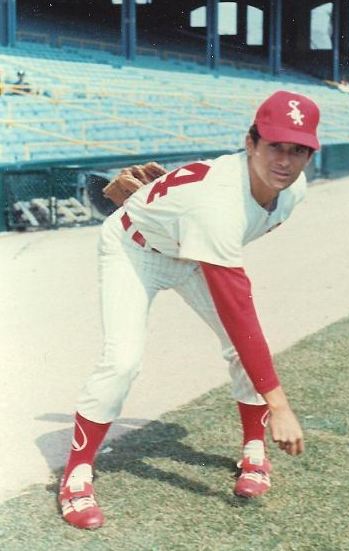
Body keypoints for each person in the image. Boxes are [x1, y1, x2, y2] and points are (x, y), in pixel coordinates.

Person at [59, 90, 321, 530]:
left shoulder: (293, 191)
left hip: (193, 248)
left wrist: (174, 212)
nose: (286, 161)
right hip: (134, 247)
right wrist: (280, 406)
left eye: (299, 150)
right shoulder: (218, 201)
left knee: (243, 348)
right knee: (122, 361)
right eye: (275, 145)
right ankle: (76, 473)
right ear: (251, 143)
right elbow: (239, 309)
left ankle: (254, 450)